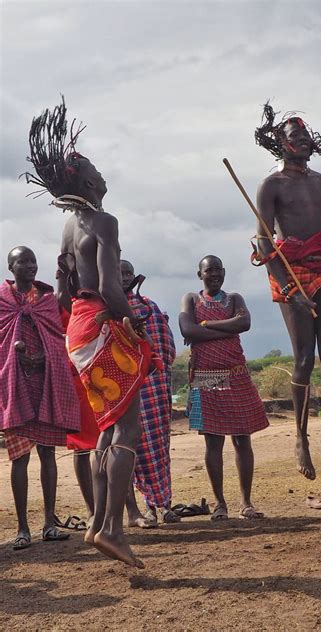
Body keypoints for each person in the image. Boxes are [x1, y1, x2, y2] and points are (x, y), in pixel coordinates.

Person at [24, 98, 153, 568]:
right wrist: (132, 323)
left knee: (107, 429)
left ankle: (99, 525)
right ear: (87, 182)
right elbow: (110, 289)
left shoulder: (66, 227)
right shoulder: (105, 221)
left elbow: (63, 293)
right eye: (96, 171)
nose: (102, 176)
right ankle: (114, 529)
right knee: (128, 428)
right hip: (100, 322)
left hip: (77, 330)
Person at [254, 103, 321, 481]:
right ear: (281, 143)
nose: (305, 141)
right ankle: (301, 439)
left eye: (307, 136)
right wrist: (291, 289)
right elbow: (263, 243)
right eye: (296, 137)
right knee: (305, 357)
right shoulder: (270, 185)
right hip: (288, 267)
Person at [0, 246, 81, 549]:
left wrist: (40, 359)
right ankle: (23, 529)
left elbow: (58, 336)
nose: (30, 265)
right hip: (16, 384)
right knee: (19, 458)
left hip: (46, 383)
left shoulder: (46, 300)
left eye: (33, 260)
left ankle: (49, 522)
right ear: (11, 267)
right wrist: (16, 356)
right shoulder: (2, 302)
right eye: (23, 261)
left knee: (48, 454)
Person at [179, 256, 268, 520]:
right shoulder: (192, 300)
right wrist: (226, 329)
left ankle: (246, 502)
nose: (214, 274)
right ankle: (219, 504)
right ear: (200, 275)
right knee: (213, 441)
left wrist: (205, 326)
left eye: (218, 269)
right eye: (209, 270)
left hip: (236, 372)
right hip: (207, 375)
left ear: (224, 272)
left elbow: (245, 323)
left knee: (242, 438)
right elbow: (187, 329)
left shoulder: (236, 298)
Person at [120, 259, 179, 526]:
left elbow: (166, 347)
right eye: (119, 273)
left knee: (158, 445)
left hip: (154, 387)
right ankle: (144, 509)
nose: (124, 277)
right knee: (131, 448)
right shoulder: (107, 309)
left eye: (128, 273)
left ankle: (163, 504)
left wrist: (159, 375)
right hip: (124, 389)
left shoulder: (149, 307)